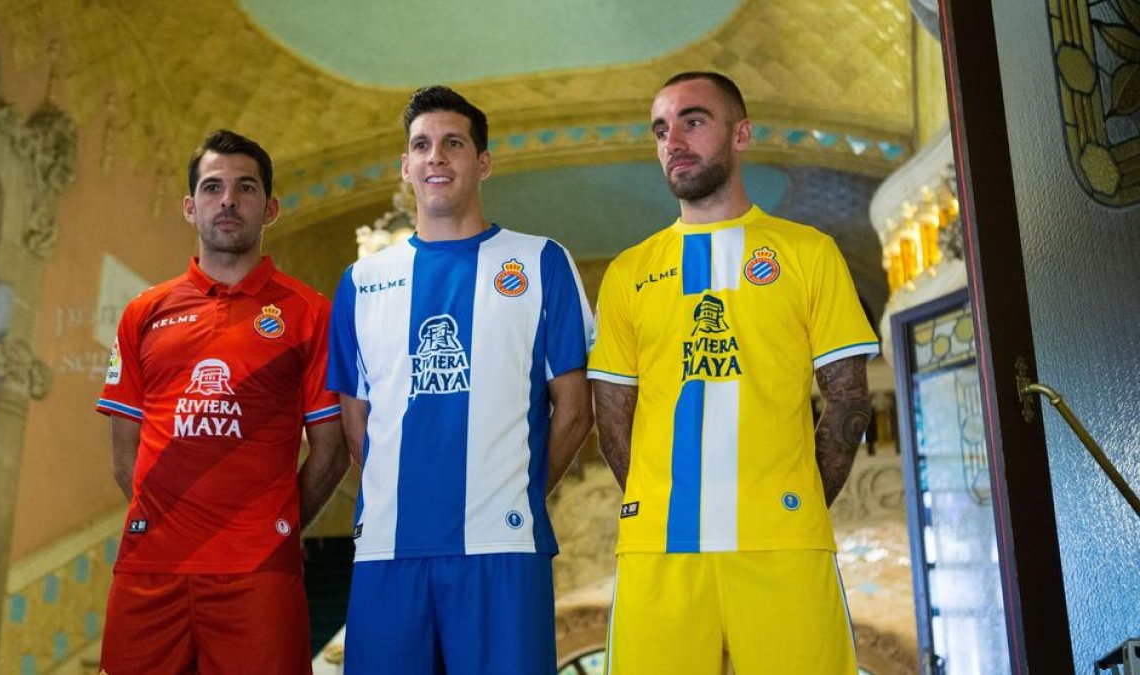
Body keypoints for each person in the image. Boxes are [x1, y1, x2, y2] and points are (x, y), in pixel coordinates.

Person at [588, 72, 879, 674]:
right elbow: (611, 413)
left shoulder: (808, 252)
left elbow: (849, 401)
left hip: (783, 542)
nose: (674, 141)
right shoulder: (627, 272)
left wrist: (795, 505)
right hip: (658, 548)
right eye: (662, 130)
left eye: (694, 121)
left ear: (741, 134)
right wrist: (656, 500)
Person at [328, 85, 594, 675]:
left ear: (483, 162)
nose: (436, 157)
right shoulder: (361, 281)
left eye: (453, 143)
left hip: (502, 549)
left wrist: (515, 494)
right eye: (421, 145)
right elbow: (355, 421)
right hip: (387, 552)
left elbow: (574, 409)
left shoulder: (539, 262)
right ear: (405, 166)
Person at [95, 129, 347, 675]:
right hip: (148, 570)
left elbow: (332, 449)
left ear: (271, 207)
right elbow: (124, 454)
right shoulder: (143, 311)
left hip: (258, 575)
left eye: (245, 187)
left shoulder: (310, 313)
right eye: (212, 187)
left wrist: (272, 528)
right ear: (190, 207)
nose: (227, 200)